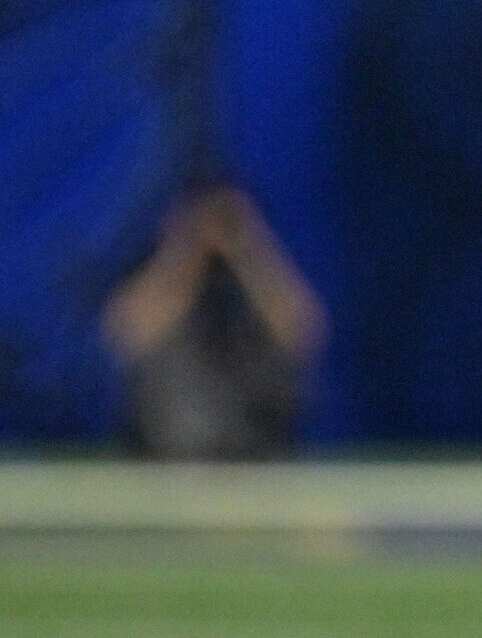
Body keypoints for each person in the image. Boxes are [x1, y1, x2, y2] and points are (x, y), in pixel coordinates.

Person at [102, 183, 326, 460]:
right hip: (169, 469)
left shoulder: (256, 293)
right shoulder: (157, 284)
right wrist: (188, 247)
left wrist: (246, 245)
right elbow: (128, 329)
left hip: (259, 469)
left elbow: (302, 327)